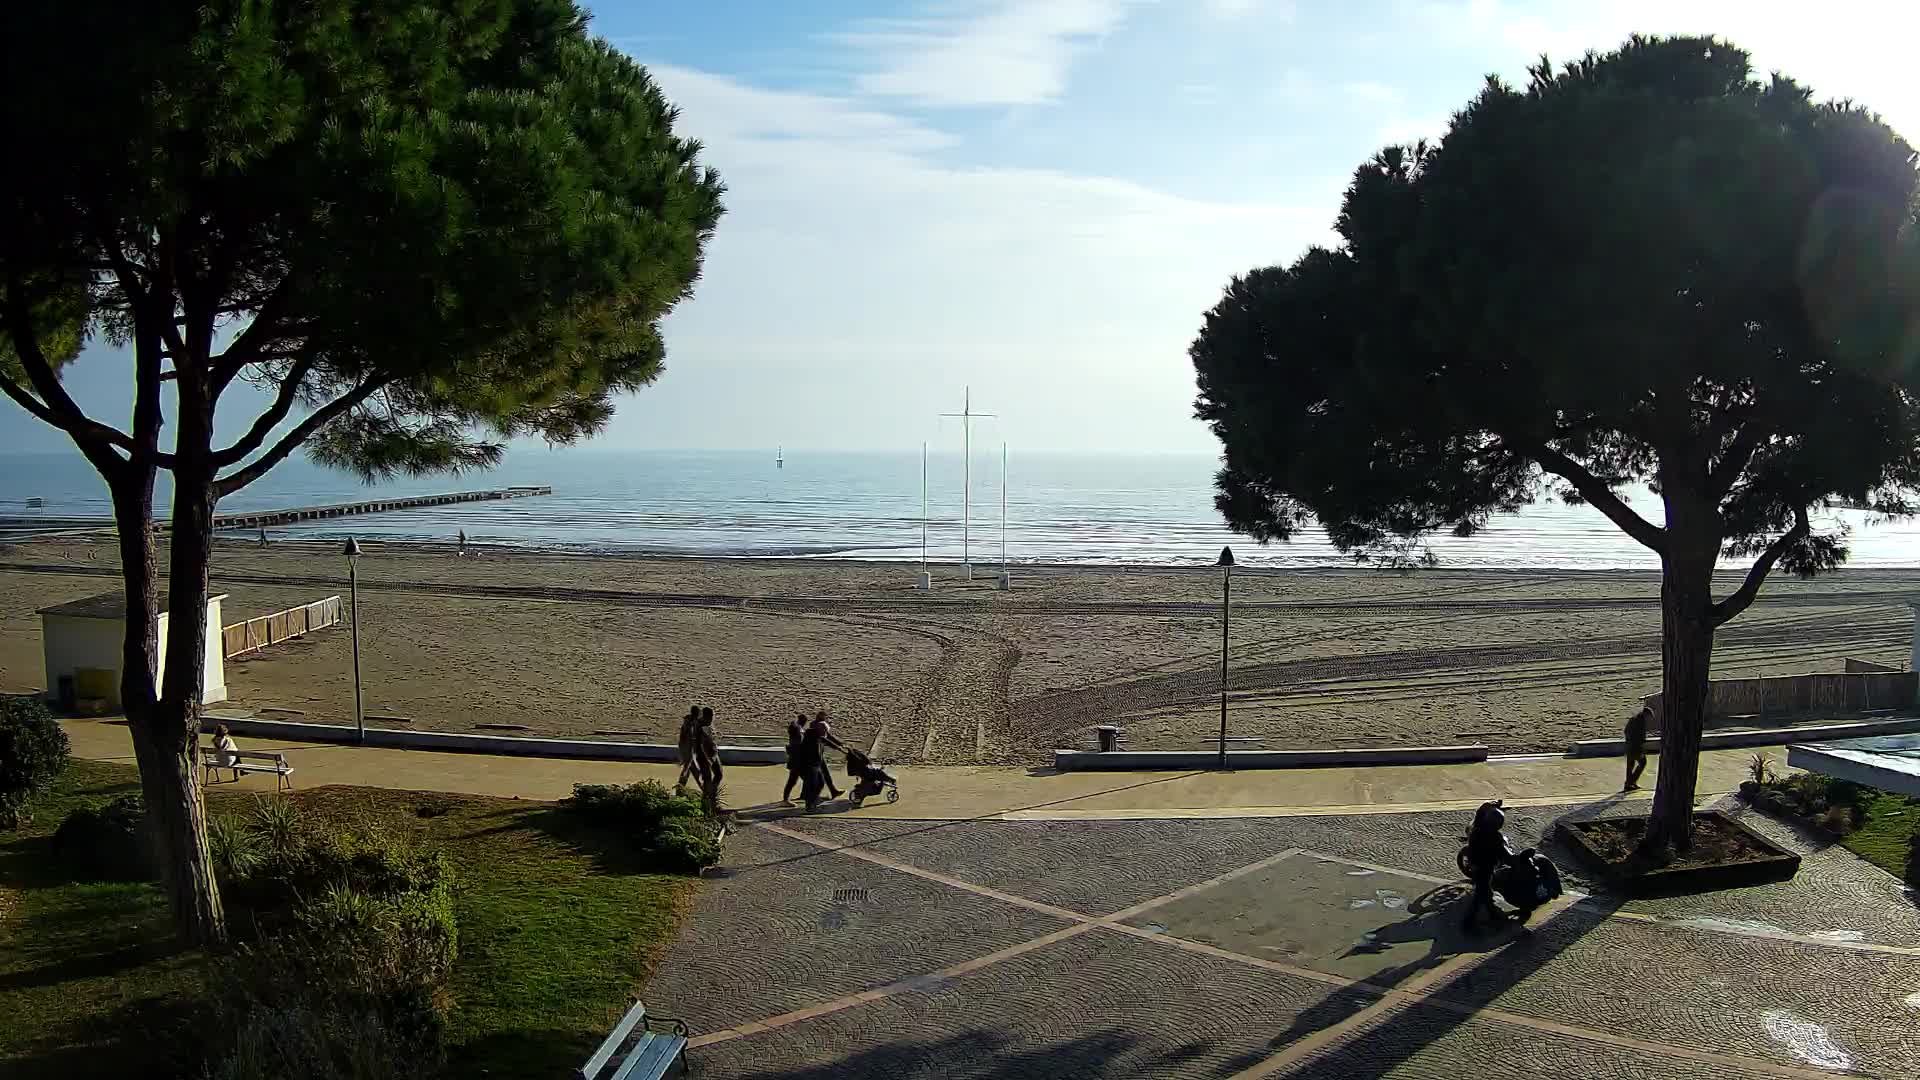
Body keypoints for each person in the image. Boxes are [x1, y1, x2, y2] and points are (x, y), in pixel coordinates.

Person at [1461, 799, 1515, 930]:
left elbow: (1482, 808)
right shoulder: (1495, 837)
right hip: (1484, 867)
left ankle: (1493, 912)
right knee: (1480, 894)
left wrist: (1493, 804)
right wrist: (1518, 860)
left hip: (1475, 861)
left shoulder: (1478, 825)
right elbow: (1507, 856)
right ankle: (1468, 924)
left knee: (1484, 892)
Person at [694, 706, 724, 815]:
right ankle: (708, 803)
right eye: (711, 717)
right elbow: (701, 745)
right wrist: (709, 759)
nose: (712, 719)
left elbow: (711, 737)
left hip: (713, 754)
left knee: (719, 774)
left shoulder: (707, 724)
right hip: (705, 757)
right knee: (707, 778)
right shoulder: (700, 726)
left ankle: (711, 798)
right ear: (706, 716)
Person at [782, 712, 810, 804]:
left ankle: (805, 796)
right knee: (794, 780)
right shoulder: (797, 732)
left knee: (797, 779)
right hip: (797, 760)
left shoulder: (798, 730)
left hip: (798, 759)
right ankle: (786, 800)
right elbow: (798, 746)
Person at [1623, 706, 1651, 791]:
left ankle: (1629, 784)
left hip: (1629, 746)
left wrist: (1628, 740)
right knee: (1643, 763)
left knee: (1630, 765)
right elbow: (1641, 736)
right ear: (1645, 714)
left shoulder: (1633, 719)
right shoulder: (1641, 721)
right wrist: (1641, 743)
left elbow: (1626, 731)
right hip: (1636, 747)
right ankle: (1632, 781)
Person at [674, 705, 701, 794]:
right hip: (688, 750)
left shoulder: (689, 723)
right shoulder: (690, 725)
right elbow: (689, 739)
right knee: (687, 770)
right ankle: (707, 793)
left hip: (687, 750)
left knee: (692, 771)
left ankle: (680, 790)